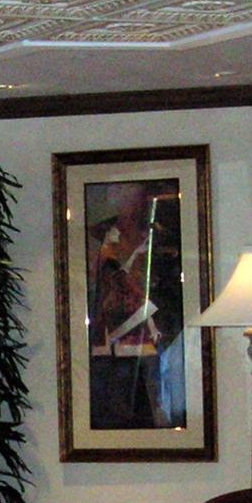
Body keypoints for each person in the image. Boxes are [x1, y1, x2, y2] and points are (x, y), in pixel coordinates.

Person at [85, 181, 186, 429]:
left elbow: (169, 297)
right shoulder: (103, 240)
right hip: (108, 351)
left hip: (150, 347)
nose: (122, 197)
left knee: (147, 412)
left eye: (129, 191)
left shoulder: (161, 243)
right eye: (118, 191)